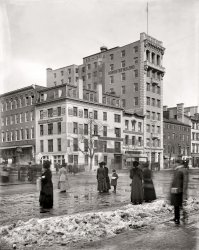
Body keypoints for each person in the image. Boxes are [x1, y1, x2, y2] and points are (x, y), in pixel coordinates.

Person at [170, 160, 188, 225]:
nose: (175, 164)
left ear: (179, 163)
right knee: (176, 205)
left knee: (179, 205)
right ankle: (176, 217)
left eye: (176, 163)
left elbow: (185, 182)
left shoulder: (183, 170)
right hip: (175, 190)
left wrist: (184, 193)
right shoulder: (177, 170)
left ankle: (182, 217)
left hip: (179, 191)